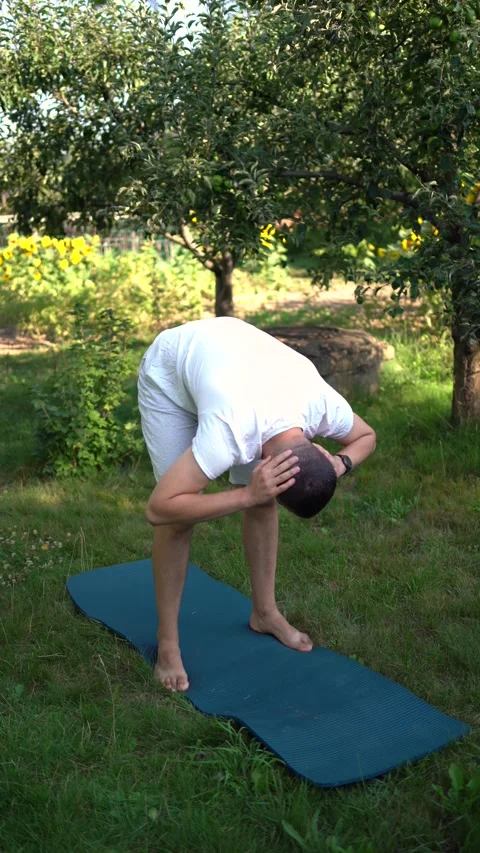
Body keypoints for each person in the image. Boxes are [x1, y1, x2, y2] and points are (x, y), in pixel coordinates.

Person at [137, 316, 376, 692]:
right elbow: (158, 509)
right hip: (172, 367)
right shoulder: (229, 432)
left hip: (232, 366)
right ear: (315, 445)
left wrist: (339, 464)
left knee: (263, 502)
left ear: (319, 446)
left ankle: (265, 613)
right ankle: (168, 643)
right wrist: (248, 494)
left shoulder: (320, 404)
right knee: (178, 519)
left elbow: (366, 436)